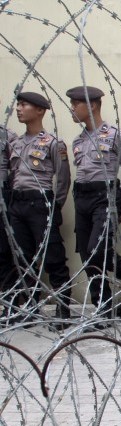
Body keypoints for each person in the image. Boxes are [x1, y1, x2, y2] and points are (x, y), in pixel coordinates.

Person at [66, 86, 121, 325]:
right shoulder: (78, 140)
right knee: (87, 253)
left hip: (105, 196)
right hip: (82, 196)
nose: (71, 109)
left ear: (93, 105)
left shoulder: (116, 135)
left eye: (75, 104)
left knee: (97, 250)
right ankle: (104, 305)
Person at [7, 92, 72, 329]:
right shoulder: (16, 143)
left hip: (41, 203)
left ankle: (63, 306)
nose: (19, 109)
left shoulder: (53, 143)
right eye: (18, 105)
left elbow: (63, 179)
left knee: (52, 255)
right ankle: (31, 306)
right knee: (23, 257)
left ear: (40, 111)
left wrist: (54, 206)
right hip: (18, 204)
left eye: (24, 105)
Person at [0, 120, 19, 320]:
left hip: (3, 199)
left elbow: (18, 172)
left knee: (3, 253)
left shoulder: (7, 136)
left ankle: (10, 303)